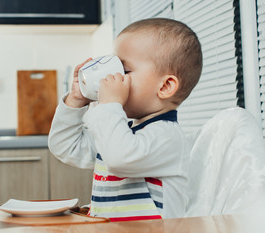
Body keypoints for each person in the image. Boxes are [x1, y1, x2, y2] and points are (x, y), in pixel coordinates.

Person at [48, 18, 202, 221]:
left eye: (125, 70)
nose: (114, 77)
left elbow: (119, 158)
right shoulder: (122, 131)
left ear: (164, 87)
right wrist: (76, 100)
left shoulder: (167, 137)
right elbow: (66, 147)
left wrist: (109, 105)